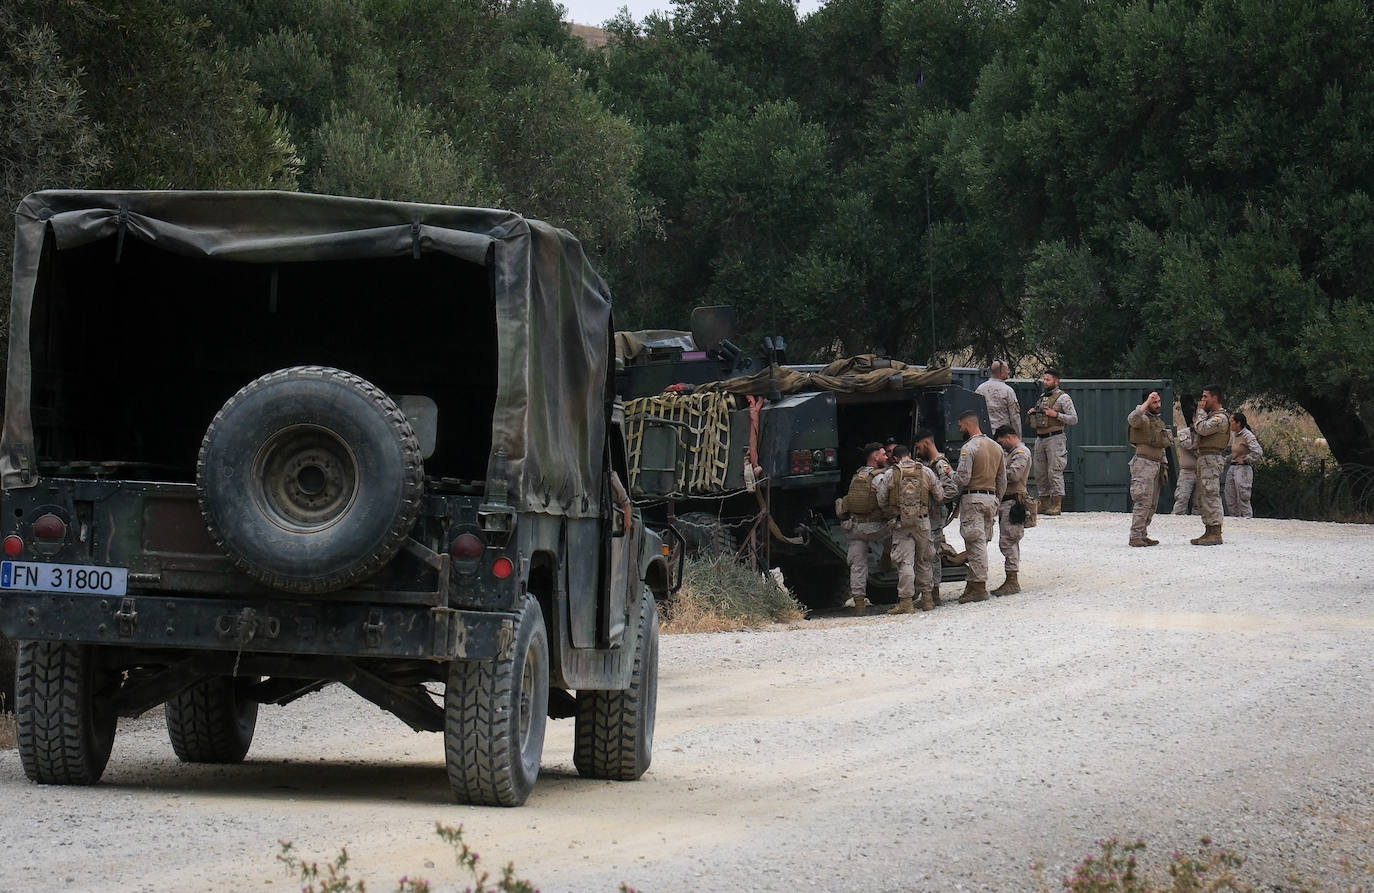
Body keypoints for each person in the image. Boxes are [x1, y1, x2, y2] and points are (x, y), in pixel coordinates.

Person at [953, 410, 1006, 603]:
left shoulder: (969, 448)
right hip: (991, 499)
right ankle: (972, 583)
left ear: (967, 425)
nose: (960, 430)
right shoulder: (996, 447)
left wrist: (950, 474)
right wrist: (997, 500)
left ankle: (979, 586)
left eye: (960, 427)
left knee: (974, 543)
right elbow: (1002, 479)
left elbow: (963, 478)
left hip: (973, 499)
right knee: (981, 543)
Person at [883, 445, 941, 614]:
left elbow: (881, 498)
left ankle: (906, 602)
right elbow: (939, 494)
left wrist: (892, 512)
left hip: (901, 523)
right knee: (924, 559)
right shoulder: (926, 471)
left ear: (895, 458)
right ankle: (927, 600)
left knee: (905, 562)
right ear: (910, 455)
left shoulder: (890, 474)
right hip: (923, 521)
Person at [837, 442, 892, 615]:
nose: (886, 457)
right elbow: (884, 500)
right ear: (875, 457)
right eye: (883, 454)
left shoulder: (857, 475)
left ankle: (859, 604)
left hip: (856, 527)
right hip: (877, 527)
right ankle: (886, 560)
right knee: (900, 531)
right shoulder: (879, 477)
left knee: (857, 565)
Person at [914, 428, 959, 607]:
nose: (918, 451)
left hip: (934, 516)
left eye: (918, 447)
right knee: (930, 552)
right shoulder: (930, 463)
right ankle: (932, 592)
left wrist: (935, 498)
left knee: (932, 554)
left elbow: (952, 489)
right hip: (932, 517)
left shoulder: (940, 464)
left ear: (926, 444)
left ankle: (934, 593)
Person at [1026, 368, 1078, 515]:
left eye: (1048, 379)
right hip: (1040, 438)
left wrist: (1056, 414)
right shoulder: (1043, 397)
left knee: (1054, 471)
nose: (1045, 382)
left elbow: (1074, 419)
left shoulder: (1063, 398)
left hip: (1055, 438)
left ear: (1056, 381)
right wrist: (1033, 413)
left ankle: (1056, 504)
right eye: (1044, 379)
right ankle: (1043, 503)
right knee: (1040, 472)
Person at [1126, 390, 1172, 546]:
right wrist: (1146, 403)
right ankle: (1135, 536)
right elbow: (1132, 418)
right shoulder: (1142, 419)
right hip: (1143, 464)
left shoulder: (1158, 422)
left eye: (1159, 402)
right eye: (1154, 402)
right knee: (1142, 501)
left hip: (1156, 464)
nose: (1158, 405)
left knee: (1152, 503)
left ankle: (1143, 533)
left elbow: (1161, 446)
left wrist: (1164, 466)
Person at [991, 425, 1031, 595]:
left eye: (1002, 442)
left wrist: (995, 472)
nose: (1002, 446)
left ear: (1008, 437)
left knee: (1009, 541)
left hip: (1014, 502)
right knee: (1008, 540)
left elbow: (1014, 475)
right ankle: (1011, 579)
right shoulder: (1011, 453)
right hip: (1006, 501)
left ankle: (1012, 581)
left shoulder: (1021, 452)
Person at [1190, 386, 1230, 546]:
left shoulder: (1220, 418)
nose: (1203, 400)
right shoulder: (1211, 416)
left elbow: (1202, 429)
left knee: (1211, 493)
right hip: (1204, 458)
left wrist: (1199, 412)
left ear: (1215, 398)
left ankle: (1215, 531)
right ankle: (1208, 530)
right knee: (1203, 494)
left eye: (1205, 396)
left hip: (1212, 459)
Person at [1225, 412, 1264, 518]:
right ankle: (1235, 519)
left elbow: (1258, 452)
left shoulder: (1247, 435)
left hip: (1243, 469)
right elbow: (1235, 453)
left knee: (1243, 496)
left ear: (1238, 423)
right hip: (1233, 467)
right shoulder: (1235, 435)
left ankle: (1247, 518)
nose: (1230, 424)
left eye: (1232, 421)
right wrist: (1225, 460)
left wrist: (1246, 460)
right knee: (1230, 496)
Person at [975, 361, 1022, 436]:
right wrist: (1018, 438)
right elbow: (1014, 417)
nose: (1008, 372)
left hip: (984, 434)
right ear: (1002, 372)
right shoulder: (1008, 391)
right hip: (1003, 436)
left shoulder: (980, 389)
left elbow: (975, 412)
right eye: (1007, 370)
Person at [1172, 395, 1199, 515]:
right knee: (1182, 499)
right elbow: (1190, 446)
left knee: (1199, 502)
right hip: (1187, 472)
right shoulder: (1184, 433)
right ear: (1193, 418)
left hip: (1201, 472)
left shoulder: (1207, 436)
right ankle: (1177, 523)